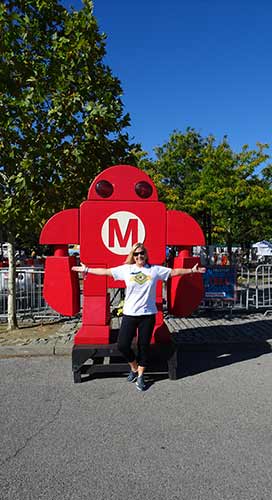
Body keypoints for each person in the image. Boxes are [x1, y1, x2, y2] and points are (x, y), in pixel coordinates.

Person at [72, 242, 206, 391]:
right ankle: (134, 368)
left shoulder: (154, 270)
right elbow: (106, 272)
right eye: (136, 254)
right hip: (130, 314)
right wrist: (87, 269)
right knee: (122, 345)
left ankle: (141, 376)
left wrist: (191, 270)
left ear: (146, 254)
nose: (139, 256)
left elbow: (174, 272)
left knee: (143, 347)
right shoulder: (127, 270)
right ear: (133, 256)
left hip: (148, 315)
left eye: (142, 253)